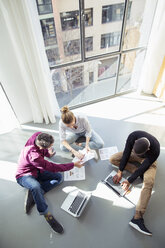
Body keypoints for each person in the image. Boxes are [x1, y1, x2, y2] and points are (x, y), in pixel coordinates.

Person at [16, 132, 82, 234]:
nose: (52, 147)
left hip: (37, 170)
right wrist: (73, 164)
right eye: (50, 146)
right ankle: (46, 214)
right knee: (36, 186)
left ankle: (34, 194)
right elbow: (54, 167)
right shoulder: (35, 157)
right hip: (24, 175)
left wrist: (48, 153)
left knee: (59, 178)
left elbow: (43, 152)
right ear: (42, 147)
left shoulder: (37, 136)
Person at [109, 130, 160, 236]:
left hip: (147, 159)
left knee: (149, 182)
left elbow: (145, 165)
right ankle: (138, 172)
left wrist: (129, 180)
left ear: (148, 149)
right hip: (134, 152)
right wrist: (119, 172)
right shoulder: (133, 136)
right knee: (112, 159)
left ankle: (137, 217)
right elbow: (127, 153)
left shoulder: (155, 149)